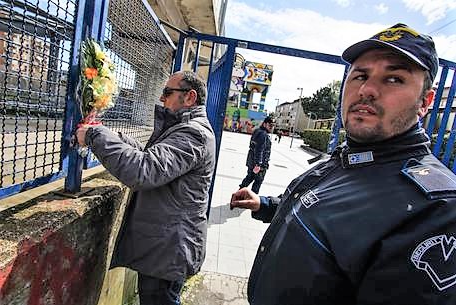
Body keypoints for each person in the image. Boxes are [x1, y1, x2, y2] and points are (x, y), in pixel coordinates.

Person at [230, 23, 456, 305]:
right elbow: (323, 214)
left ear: (426, 101)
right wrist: (264, 204)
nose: (368, 89)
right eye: (360, 75)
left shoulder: (436, 210)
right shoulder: (352, 156)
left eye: (394, 79)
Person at [76, 71, 216, 305]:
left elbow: (144, 170)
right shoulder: (184, 128)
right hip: (166, 245)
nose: (162, 99)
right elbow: (149, 155)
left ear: (190, 97)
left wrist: (95, 136)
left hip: (169, 250)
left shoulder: (194, 134)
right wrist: (114, 136)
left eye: (168, 93)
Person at [238, 116, 274, 194]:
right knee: (257, 182)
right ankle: (251, 199)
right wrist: (258, 164)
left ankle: (238, 194)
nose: (271, 127)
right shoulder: (263, 134)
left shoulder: (257, 131)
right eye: (270, 125)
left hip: (251, 160)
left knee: (249, 178)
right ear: (264, 124)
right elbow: (259, 149)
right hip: (258, 164)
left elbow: (254, 147)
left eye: (272, 125)